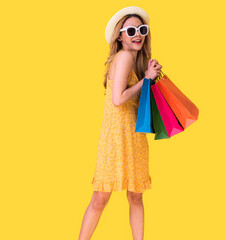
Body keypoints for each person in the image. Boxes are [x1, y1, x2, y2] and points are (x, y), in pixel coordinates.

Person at [78, 6, 161, 240]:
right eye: (132, 30)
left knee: (135, 196)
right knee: (101, 198)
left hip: (133, 137)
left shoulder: (135, 61)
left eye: (142, 29)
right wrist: (145, 80)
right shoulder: (124, 56)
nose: (138, 34)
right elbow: (118, 99)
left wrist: (148, 76)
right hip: (116, 138)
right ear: (120, 36)